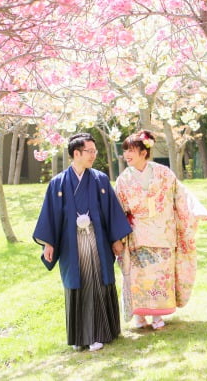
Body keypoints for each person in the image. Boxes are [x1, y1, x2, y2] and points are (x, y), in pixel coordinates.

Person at [33, 133, 132, 351]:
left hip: (96, 240)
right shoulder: (57, 183)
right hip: (71, 242)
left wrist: (116, 239)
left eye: (94, 151)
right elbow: (50, 217)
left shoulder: (100, 179)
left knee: (98, 281)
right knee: (79, 283)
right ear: (76, 153)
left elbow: (111, 212)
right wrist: (48, 244)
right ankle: (81, 336)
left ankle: (102, 332)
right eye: (90, 151)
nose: (93, 155)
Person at [114, 129, 207, 330]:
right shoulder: (123, 180)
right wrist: (118, 237)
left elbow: (181, 195)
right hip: (137, 235)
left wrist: (196, 210)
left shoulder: (164, 174)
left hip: (163, 233)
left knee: (160, 275)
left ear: (143, 152)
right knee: (139, 276)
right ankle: (140, 315)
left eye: (131, 150)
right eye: (125, 151)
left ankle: (158, 316)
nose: (126, 155)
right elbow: (118, 209)